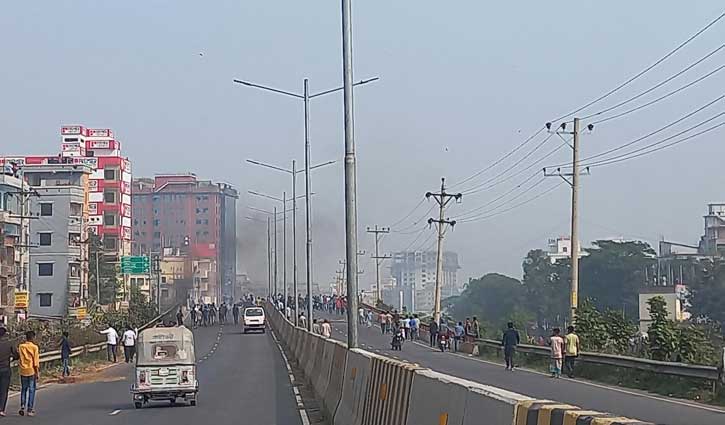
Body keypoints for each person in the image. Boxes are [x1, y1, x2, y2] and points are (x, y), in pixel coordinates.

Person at [18, 331, 39, 417]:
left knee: (24, 389)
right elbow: (35, 362)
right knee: (32, 390)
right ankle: (30, 409)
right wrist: (37, 373)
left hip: (23, 370)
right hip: (31, 371)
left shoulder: (21, 346)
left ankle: (22, 406)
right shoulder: (34, 347)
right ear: (33, 337)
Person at [0, 328, 18, 416]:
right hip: (5, 368)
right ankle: (1, 409)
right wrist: (12, 358)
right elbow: (16, 354)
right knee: (4, 390)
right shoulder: (9, 343)